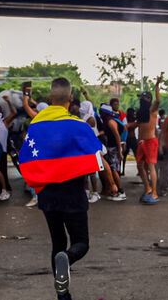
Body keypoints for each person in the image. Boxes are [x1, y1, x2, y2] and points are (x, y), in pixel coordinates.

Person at [20, 78, 102, 300]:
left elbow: (26, 158)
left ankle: (63, 296)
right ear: (69, 100)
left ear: (49, 99)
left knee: (57, 242)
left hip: (48, 195)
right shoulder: (78, 125)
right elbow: (97, 155)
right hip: (73, 193)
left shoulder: (35, 126)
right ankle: (68, 257)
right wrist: (111, 183)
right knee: (81, 243)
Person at [136, 77, 162, 203]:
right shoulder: (141, 112)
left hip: (151, 141)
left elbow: (158, 100)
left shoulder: (152, 109)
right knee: (140, 165)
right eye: (140, 97)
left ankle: (155, 193)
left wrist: (157, 85)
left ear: (148, 99)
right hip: (142, 142)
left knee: (151, 166)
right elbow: (139, 126)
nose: (141, 99)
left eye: (143, 97)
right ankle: (148, 188)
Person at [98, 104, 126, 201]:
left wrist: (119, 152)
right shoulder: (107, 122)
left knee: (114, 170)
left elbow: (117, 136)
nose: (100, 114)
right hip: (111, 148)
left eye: (101, 112)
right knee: (112, 169)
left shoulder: (110, 122)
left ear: (104, 113)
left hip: (113, 148)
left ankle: (121, 191)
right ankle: (116, 190)